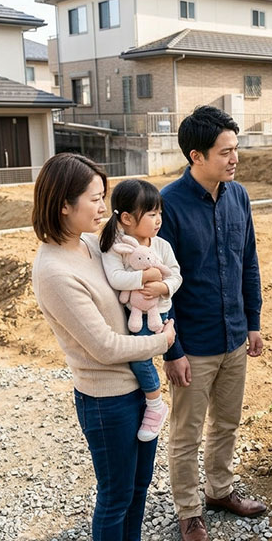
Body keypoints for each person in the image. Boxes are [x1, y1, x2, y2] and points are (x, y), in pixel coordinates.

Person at [31, 153, 176, 541]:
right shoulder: (54, 272)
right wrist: (161, 342)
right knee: (115, 497)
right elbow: (105, 347)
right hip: (107, 399)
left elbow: (143, 262)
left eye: (103, 196)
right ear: (64, 204)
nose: (104, 207)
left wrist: (162, 284)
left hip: (138, 391)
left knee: (138, 488)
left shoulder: (93, 245)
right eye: (95, 198)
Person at [158, 106, 266, 541]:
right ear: (196, 155)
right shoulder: (168, 205)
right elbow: (160, 283)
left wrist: (253, 322)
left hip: (235, 336)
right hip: (194, 345)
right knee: (186, 432)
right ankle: (188, 510)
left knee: (227, 422)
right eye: (225, 152)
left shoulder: (238, 196)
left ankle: (220, 490)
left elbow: (249, 263)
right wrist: (173, 350)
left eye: (236, 149)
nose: (234, 159)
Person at [99, 178, 182, 442]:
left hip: (159, 312)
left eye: (159, 213)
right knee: (139, 357)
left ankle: (155, 404)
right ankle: (155, 401)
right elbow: (115, 278)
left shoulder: (161, 245)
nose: (158, 220)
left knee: (139, 356)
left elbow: (177, 275)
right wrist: (147, 277)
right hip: (132, 314)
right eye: (151, 214)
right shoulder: (116, 247)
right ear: (126, 218)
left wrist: (163, 288)